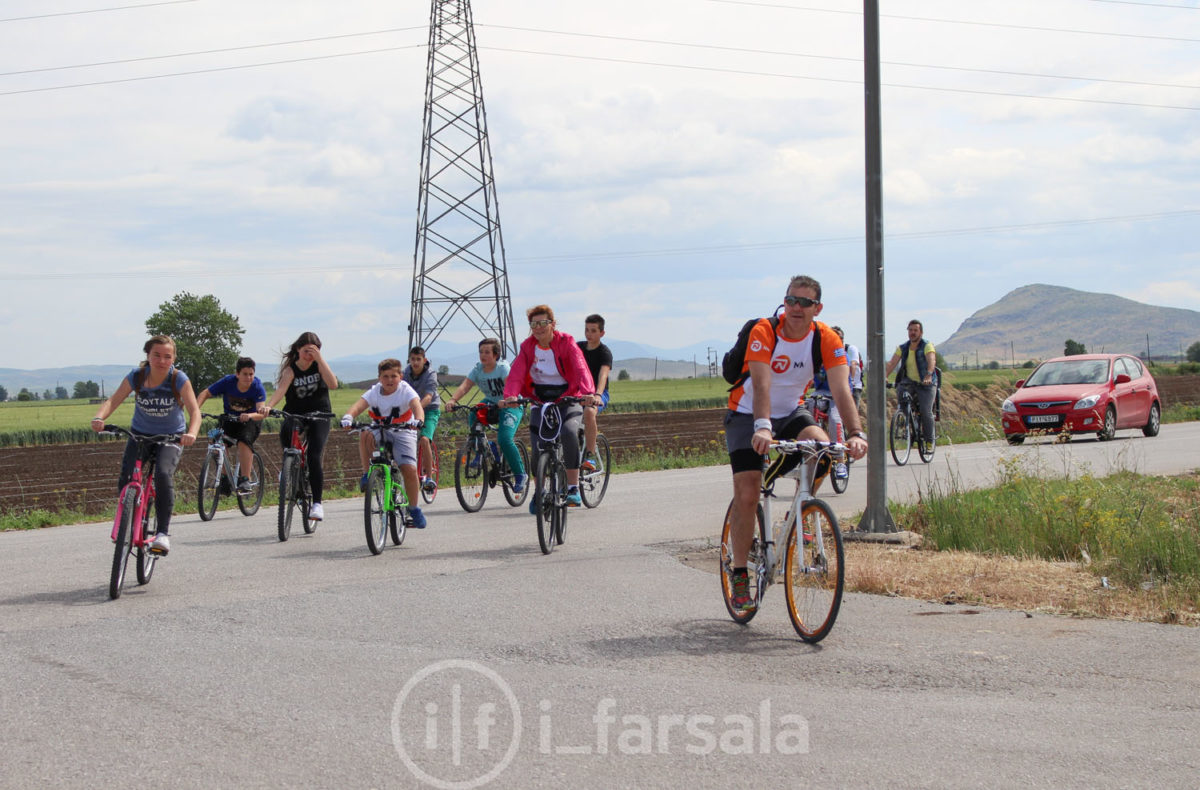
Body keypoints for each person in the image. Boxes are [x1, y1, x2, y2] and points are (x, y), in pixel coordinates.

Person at [724, 276, 868, 613]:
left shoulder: (825, 337)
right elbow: (760, 384)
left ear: (817, 308)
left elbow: (841, 389)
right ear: (784, 303)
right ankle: (740, 573)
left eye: (805, 303)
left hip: (791, 412)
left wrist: (856, 433)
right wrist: (762, 428)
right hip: (747, 414)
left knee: (823, 450)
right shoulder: (765, 330)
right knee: (747, 494)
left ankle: (801, 507)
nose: (796, 308)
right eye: (791, 301)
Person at [89, 335, 201, 555]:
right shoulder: (137, 376)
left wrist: (191, 433)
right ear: (148, 356)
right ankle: (126, 525)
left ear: (173, 358)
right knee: (127, 475)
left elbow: (195, 411)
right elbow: (114, 399)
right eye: (156, 355)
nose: (161, 360)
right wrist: (99, 418)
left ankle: (162, 534)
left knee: (162, 474)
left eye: (167, 356)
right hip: (140, 434)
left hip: (171, 437)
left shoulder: (178, 378)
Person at [500, 305, 595, 509]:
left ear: (552, 324)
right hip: (540, 399)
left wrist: (588, 392)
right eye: (534, 324)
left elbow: (580, 366)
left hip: (568, 396)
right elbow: (517, 372)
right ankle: (540, 491)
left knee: (569, 432)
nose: (539, 328)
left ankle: (572, 488)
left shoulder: (566, 341)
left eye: (543, 323)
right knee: (537, 447)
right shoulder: (528, 346)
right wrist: (511, 396)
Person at [340, 358, 427, 528]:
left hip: (404, 430)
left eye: (393, 376)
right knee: (364, 432)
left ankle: (414, 509)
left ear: (400, 376)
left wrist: (418, 420)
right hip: (379, 430)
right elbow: (358, 406)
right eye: (385, 376)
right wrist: (348, 417)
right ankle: (367, 474)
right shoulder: (374, 392)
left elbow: (417, 406)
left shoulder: (406, 390)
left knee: (409, 469)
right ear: (379, 378)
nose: (389, 380)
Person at [263, 332, 338, 522]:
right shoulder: (290, 370)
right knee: (286, 429)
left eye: (314, 351)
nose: (309, 355)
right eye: (306, 351)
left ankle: (317, 504)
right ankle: (288, 466)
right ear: (298, 349)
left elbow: (333, 384)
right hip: (296, 412)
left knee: (314, 455)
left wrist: (320, 360)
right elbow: (280, 391)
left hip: (319, 414)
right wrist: (269, 406)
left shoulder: (319, 366)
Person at [444, 337, 527, 492]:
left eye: (487, 352)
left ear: (495, 354)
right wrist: (453, 399)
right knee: (474, 414)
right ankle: (485, 448)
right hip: (492, 402)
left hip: (511, 404)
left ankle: (520, 474)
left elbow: (511, 385)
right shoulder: (478, 370)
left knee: (504, 439)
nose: (483, 355)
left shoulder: (502, 368)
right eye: (481, 352)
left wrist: (508, 399)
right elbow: (465, 386)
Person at [196, 356, 267, 494]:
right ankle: (224, 478)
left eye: (251, 374)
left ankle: (245, 479)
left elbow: (261, 412)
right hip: (230, 419)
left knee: (243, 441)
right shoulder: (227, 382)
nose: (248, 378)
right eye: (245, 374)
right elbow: (206, 393)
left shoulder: (257, 387)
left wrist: (250, 415)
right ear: (237, 374)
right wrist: (196, 410)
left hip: (251, 422)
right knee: (216, 440)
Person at [884, 319, 937, 444]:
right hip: (909, 382)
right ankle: (905, 425)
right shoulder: (903, 348)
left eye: (915, 330)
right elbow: (892, 363)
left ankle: (929, 441)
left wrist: (929, 375)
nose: (912, 333)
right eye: (910, 330)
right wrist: (885, 376)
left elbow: (931, 361)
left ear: (921, 333)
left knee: (925, 411)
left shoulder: (927, 345)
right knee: (902, 399)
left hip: (926, 383)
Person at [577, 313, 613, 472]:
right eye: (586, 330)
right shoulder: (578, 347)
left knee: (589, 412)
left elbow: (603, 375)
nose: (589, 334)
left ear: (601, 333)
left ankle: (590, 456)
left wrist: (598, 395)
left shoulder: (604, 352)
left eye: (593, 330)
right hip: (579, 392)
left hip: (599, 393)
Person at [404, 347, 441, 494]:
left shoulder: (431, 374)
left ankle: (429, 479)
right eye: (413, 359)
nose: (415, 362)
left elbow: (428, 397)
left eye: (418, 359)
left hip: (430, 409)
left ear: (424, 360)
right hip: (412, 410)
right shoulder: (406, 373)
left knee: (425, 440)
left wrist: (415, 409)